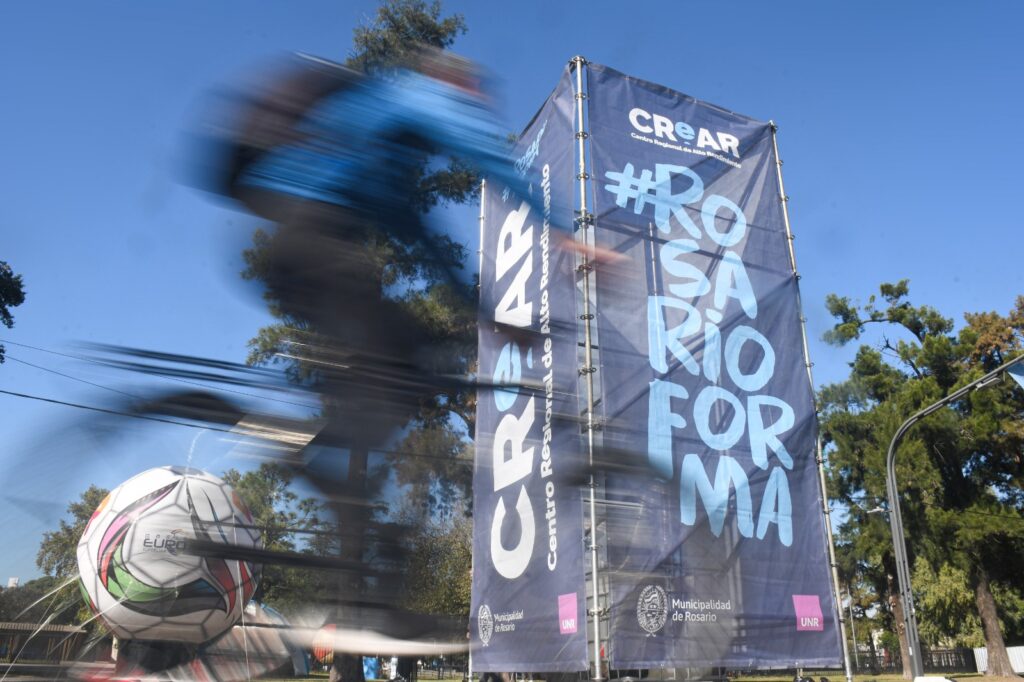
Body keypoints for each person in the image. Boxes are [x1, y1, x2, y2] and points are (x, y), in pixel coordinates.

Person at [208, 48, 541, 452]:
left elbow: (431, 245)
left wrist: (488, 318)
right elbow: (491, 158)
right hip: (316, 246)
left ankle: (320, 461)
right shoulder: (419, 93)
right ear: (454, 81)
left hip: (293, 256)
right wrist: (566, 234)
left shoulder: (385, 176)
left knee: (396, 374)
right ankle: (307, 451)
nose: (481, 103)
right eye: (477, 92)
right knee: (403, 363)